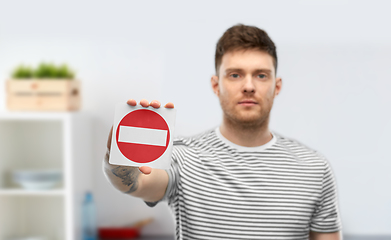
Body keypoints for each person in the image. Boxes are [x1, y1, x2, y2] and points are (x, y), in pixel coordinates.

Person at [103, 24, 342, 240]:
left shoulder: (314, 168)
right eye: (235, 75)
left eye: (261, 75)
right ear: (216, 85)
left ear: (276, 86)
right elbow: (136, 183)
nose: (248, 86)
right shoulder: (183, 157)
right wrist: (119, 157)